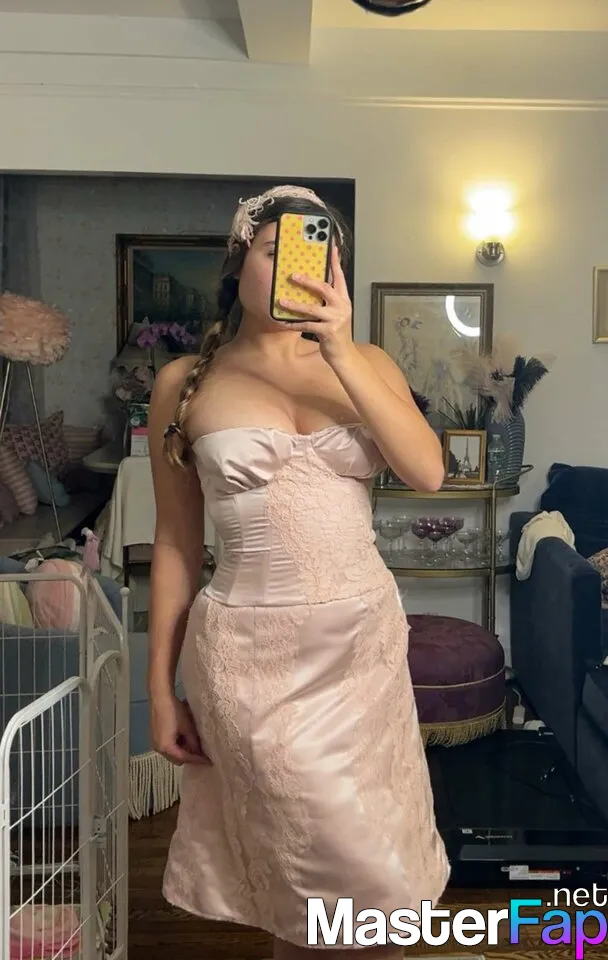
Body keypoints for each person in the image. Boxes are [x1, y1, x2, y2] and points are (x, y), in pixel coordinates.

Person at [147, 185, 450, 959]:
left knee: (368, 873)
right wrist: (161, 691)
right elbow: (176, 543)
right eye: (276, 250)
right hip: (250, 659)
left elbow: (427, 473)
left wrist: (341, 349)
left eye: (320, 252)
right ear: (238, 261)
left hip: (362, 650)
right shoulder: (183, 381)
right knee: (312, 872)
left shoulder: (365, 361)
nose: (300, 267)